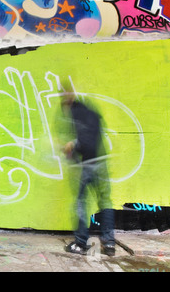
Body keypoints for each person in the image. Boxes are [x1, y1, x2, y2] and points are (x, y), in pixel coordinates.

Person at [61, 90, 116, 256]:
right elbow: (94, 136)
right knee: (105, 201)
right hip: (101, 162)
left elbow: (85, 140)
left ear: (67, 101)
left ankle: (80, 242)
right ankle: (109, 244)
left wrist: (72, 146)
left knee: (81, 202)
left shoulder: (76, 114)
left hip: (90, 164)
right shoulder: (91, 112)